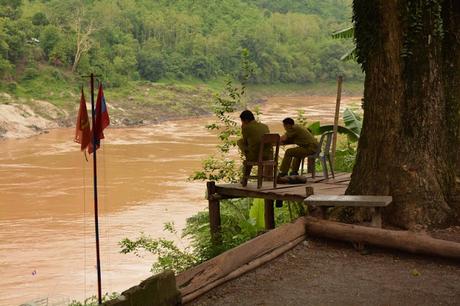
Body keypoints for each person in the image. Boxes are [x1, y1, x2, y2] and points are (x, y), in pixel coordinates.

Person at [237, 110, 272, 185]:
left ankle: (244, 180)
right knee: (251, 151)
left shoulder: (246, 128)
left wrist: (243, 128)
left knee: (240, 142)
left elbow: (245, 143)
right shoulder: (265, 126)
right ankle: (248, 157)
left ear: (246, 120)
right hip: (268, 156)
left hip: (256, 156)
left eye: (242, 121)